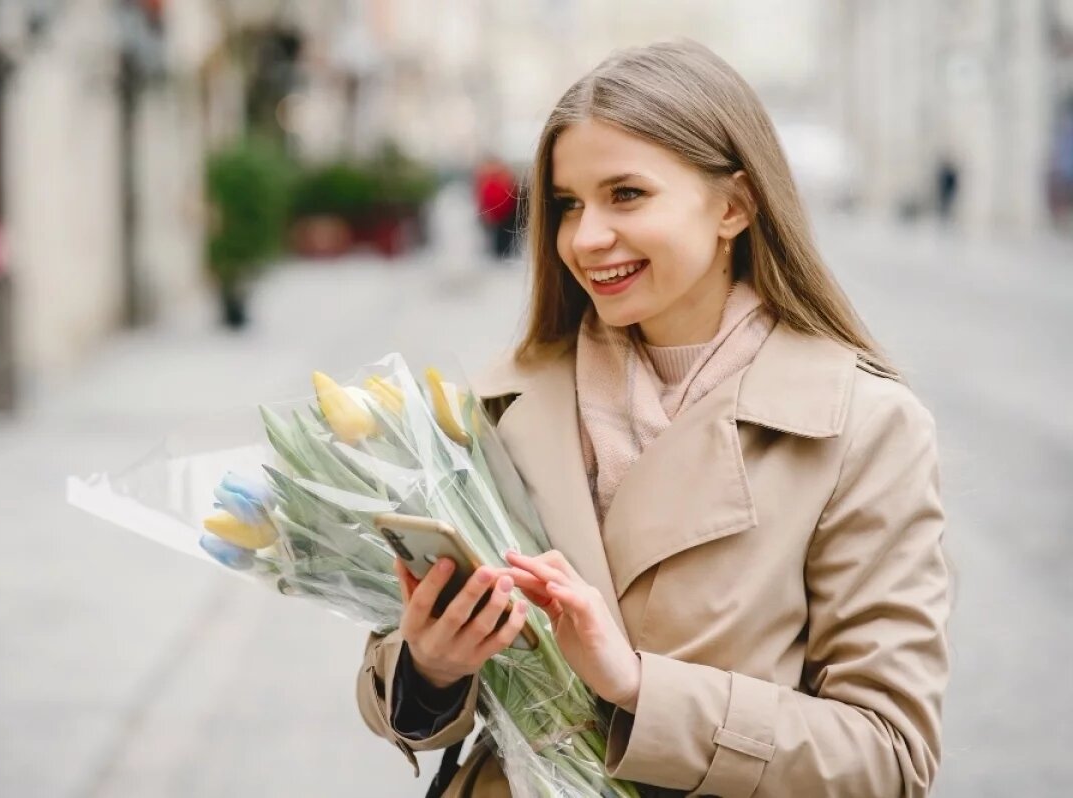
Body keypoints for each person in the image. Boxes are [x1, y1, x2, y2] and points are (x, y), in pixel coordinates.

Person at [356, 40, 950, 797]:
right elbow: (399, 696)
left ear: (734, 204)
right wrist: (430, 669)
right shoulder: (495, 407)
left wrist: (642, 689)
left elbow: (888, 757)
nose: (585, 237)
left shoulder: (861, 427)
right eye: (569, 203)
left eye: (626, 195)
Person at [474, 157, 521, 259]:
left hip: (506, 215)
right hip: (496, 216)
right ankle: (499, 257)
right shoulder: (487, 178)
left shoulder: (504, 176)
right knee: (497, 241)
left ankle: (503, 257)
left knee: (504, 240)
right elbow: (481, 197)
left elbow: (513, 194)